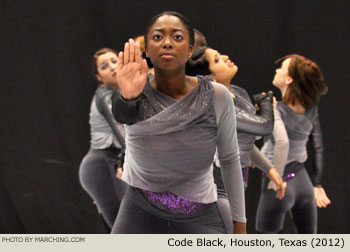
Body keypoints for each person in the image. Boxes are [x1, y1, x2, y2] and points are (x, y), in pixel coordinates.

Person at [111, 11, 246, 234]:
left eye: (177, 37)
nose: (166, 43)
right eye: (157, 37)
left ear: (191, 50)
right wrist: (129, 95)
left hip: (200, 213)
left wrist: (240, 225)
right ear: (147, 50)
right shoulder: (133, 88)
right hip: (139, 210)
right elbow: (122, 114)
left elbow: (230, 159)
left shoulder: (217, 96)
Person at [186, 46, 286, 233]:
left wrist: (269, 168)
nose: (225, 57)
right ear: (210, 79)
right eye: (217, 60)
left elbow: (244, 140)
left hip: (239, 177)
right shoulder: (215, 102)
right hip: (217, 181)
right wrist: (265, 101)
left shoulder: (239, 93)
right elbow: (263, 125)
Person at [255, 54, 331, 233]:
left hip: (279, 182)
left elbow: (282, 142)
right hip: (303, 182)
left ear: (289, 79)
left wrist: (277, 179)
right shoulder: (311, 110)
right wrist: (317, 184)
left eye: (281, 68)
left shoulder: (276, 109)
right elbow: (317, 146)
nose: (276, 70)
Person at [79, 48, 127, 229]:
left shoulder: (126, 91)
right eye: (104, 66)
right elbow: (123, 133)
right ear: (99, 76)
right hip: (102, 165)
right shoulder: (104, 94)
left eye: (114, 61)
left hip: (115, 162)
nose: (112, 67)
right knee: (124, 230)